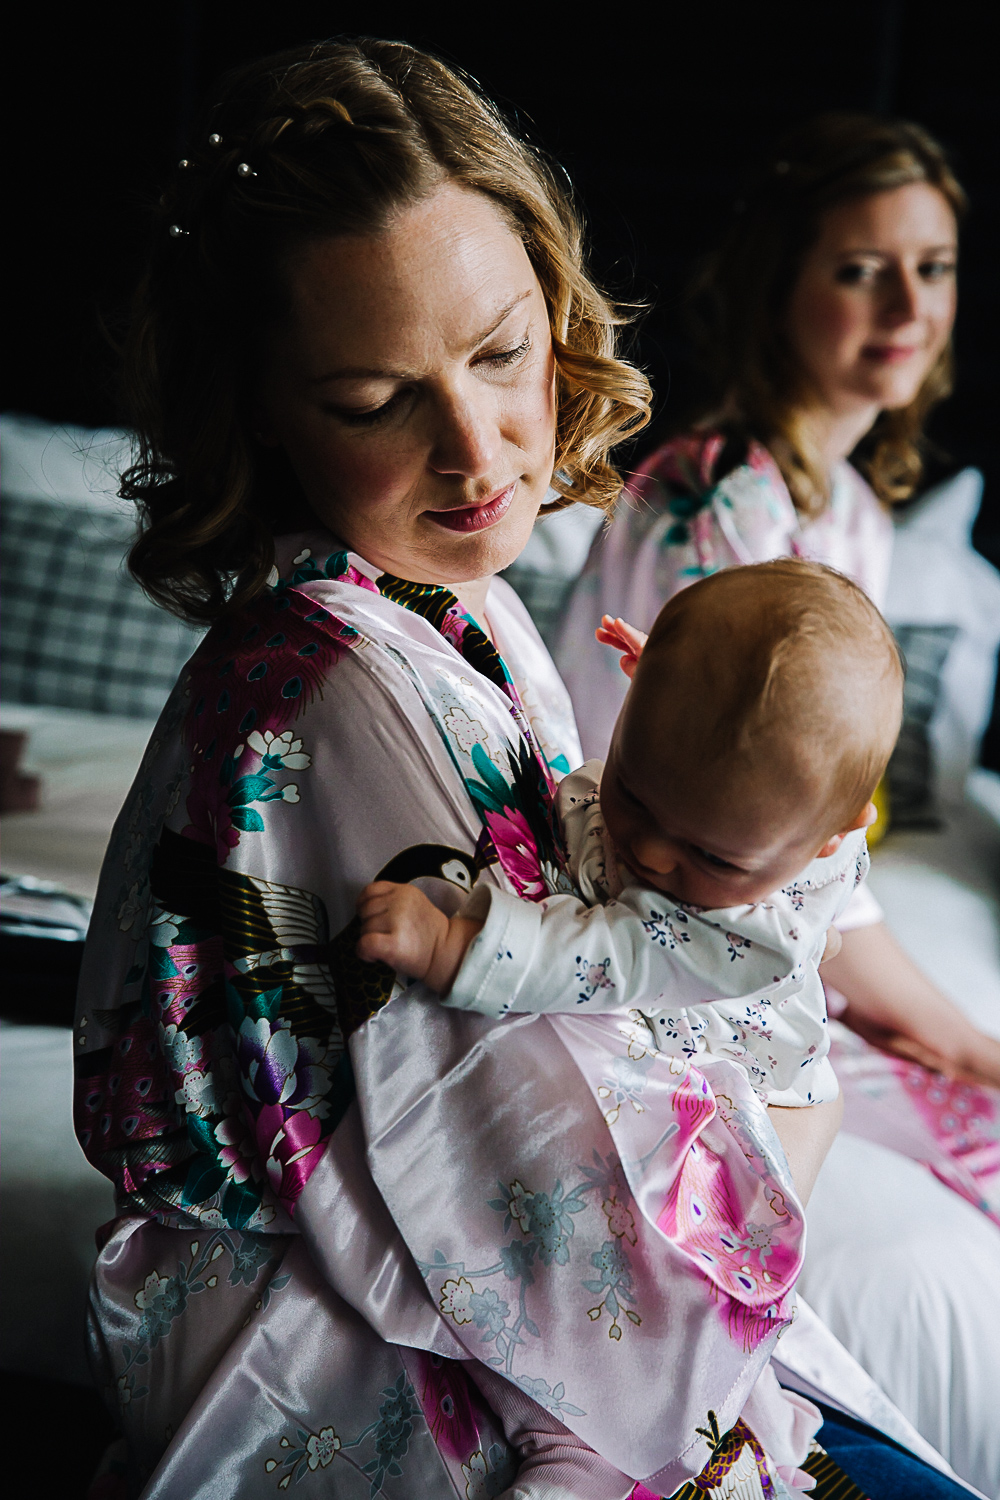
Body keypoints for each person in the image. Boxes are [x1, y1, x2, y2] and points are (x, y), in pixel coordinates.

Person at [73, 52, 971, 1500]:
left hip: (531, 1285)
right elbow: (528, 1215)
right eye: (375, 398)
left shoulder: (461, 596)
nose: (481, 449)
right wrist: (786, 1134)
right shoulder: (337, 683)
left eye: (500, 354)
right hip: (368, 1352)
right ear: (260, 410)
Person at [554, 112, 1000, 1491]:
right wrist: (961, 1036)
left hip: (772, 899)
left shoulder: (851, 512)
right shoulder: (720, 507)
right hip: (668, 908)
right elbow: (800, 876)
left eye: (930, 268)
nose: (906, 304)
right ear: (778, 286)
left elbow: (833, 853)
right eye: (862, 268)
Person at [357, 560, 901, 1119]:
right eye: (636, 795)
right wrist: (672, 679)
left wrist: (450, 949)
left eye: (711, 857)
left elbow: (602, 956)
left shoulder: (743, 933)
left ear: (833, 838)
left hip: (727, 1090)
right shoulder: (771, 807)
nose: (649, 852)